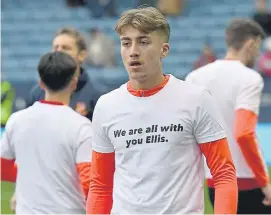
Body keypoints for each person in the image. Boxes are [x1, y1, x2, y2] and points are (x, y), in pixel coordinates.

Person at [86, 6, 238, 214]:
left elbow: (223, 174)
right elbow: (100, 186)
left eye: (143, 42)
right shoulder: (106, 105)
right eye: (126, 43)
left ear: (164, 50)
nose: (133, 51)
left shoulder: (195, 99)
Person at [185, 18, 271, 214]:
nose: (258, 53)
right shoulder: (250, 78)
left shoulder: (195, 77)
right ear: (251, 43)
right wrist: (264, 182)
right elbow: (244, 133)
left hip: (214, 181)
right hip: (247, 181)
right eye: (258, 47)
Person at [1, 52, 92, 214]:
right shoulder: (82, 127)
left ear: (41, 83)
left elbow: (3, 168)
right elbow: (89, 182)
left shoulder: (16, 120)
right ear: (74, 83)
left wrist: (33, 174)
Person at [27, 27, 99, 121]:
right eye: (56, 47)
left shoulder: (97, 96)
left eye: (66, 48)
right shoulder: (36, 93)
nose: (59, 51)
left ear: (82, 55)